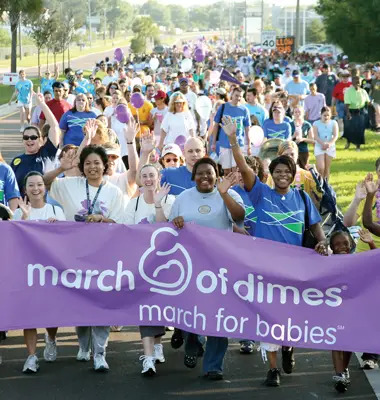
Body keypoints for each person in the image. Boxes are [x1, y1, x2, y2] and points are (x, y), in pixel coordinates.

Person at [221, 115, 326, 387]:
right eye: (278, 171)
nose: (282, 175)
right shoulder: (260, 193)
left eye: (287, 172)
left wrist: (323, 242)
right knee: (268, 316)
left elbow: (315, 226)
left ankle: (289, 347)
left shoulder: (302, 198)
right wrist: (233, 141)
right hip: (264, 267)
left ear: (293, 175)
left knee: (290, 317)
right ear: (272, 174)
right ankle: (272, 369)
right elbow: (244, 167)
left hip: (295, 269)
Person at [43, 145, 126, 372]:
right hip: (74, 255)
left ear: (105, 166)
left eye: (97, 163)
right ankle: (83, 346)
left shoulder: (115, 192)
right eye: (87, 163)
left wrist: (103, 219)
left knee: (102, 304)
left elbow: (122, 224)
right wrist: (62, 167)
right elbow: (44, 183)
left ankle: (100, 352)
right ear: (82, 167)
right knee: (80, 303)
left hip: (104, 256)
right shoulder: (71, 185)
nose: (92, 167)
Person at [170, 158, 244, 380]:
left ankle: (213, 366)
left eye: (210, 173)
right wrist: (178, 222)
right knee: (192, 311)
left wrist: (224, 194)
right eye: (200, 173)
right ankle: (192, 341)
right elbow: (170, 229)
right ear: (193, 176)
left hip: (221, 266)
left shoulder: (228, 193)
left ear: (217, 175)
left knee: (219, 315)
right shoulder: (182, 199)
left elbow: (239, 219)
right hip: (190, 266)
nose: (205, 177)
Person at [13, 171, 65, 374]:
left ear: (45, 187)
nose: (36, 189)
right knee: (30, 316)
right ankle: (31, 356)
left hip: (51, 271)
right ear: (25, 189)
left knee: (51, 315)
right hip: (28, 272)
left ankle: (51, 338)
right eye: (31, 185)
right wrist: (24, 218)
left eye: (39, 185)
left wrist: (56, 227)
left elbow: (67, 240)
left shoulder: (55, 210)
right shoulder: (19, 212)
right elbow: (15, 243)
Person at [124, 165, 174, 376]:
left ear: (158, 177)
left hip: (165, 265)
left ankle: (157, 344)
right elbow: (125, 231)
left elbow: (165, 228)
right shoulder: (133, 204)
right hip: (141, 266)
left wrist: (158, 203)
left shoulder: (171, 201)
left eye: (152, 175)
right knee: (145, 309)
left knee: (160, 308)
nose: (148, 179)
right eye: (144, 176)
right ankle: (148, 357)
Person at [316, 229, 376, 393]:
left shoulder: (358, 260)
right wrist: (320, 252)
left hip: (354, 309)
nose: (341, 246)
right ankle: (339, 374)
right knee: (336, 342)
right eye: (337, 244)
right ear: (332, 248)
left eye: (345, 243)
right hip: (334, 309)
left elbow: (376, 262)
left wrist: (371, 242)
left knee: (348, 342)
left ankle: (344, 369)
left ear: (352, 245)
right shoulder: (328, 261)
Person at [10, 92, 60, 195]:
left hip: (44, 205)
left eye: (33, 137)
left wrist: (42, 104)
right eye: (26, 137)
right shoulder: (16, 161)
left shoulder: (46, 153)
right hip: (22, 207)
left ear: (40, 140)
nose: (29, 140)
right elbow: (8, 187)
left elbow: (54, 126)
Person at [210, 86, 251, 174]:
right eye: (236, 95)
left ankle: (234, 187)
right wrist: (213, 142)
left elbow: (247, 128)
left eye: (240, 96)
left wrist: (249, 145)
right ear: (232, 95)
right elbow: (216, 125)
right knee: (226, 170)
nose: (238, 98)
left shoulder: (244, 110)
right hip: (224, 143)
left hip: (238, 144)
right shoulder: (223, 107)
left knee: (236, 169)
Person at [343, 76, 370, 151]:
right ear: (352, 82)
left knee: (360, 129)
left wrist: (371, 103)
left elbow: (367, 101)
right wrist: (348, 113)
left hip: (361, 111)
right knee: (349, 129)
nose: (357, 83)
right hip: (351, 111)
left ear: (361, 82)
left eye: (359, 81)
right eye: (355, 81)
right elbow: (346, 104)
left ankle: (358, 146)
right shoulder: (348, 91)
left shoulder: (363, 91)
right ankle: (348, 142)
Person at [313, 106, 338, 180]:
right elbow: (316, 136)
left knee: (327, 168)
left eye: (328, 115)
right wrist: (322, 144)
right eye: (324, 115)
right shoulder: (316, 123)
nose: (326, 117)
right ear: (321, 115)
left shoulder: (334, 123)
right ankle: (319, 182)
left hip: (330, 146)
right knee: (321, 167)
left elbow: (335, 135)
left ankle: (326, 184)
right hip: (319, 146)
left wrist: (329, 144)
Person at [332, 70, 352, 136]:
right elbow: (334, 97)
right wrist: (333, 106)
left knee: (348, 119)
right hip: (340, 103)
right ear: (341, 77)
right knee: (340, 119)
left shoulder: (351, 85)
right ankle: (341, 134)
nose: (345, 78)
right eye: (344, 77)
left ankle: (348, 133)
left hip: (350, 104)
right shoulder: (338, 85)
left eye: (347, 77)